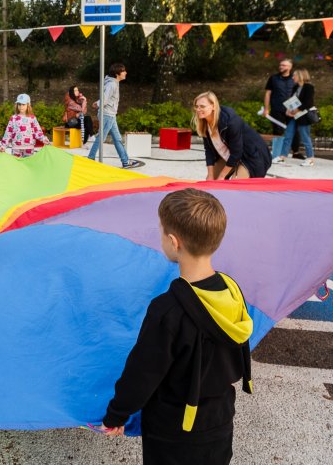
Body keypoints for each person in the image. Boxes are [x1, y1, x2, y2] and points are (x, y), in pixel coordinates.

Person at [97, 188, 252, 465]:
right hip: (219, 421)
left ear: (173, 241)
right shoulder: (232, 290)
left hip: (173, 433)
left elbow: (142, 373)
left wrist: (116, 415)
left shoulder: (168, 309)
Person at [193, 92, 272, 180]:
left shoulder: (230, 121)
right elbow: (209, 151)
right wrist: (210, 175)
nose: (198, 109)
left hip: (251, 155)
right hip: (230, 154)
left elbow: (236, 153)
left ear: (213, 106)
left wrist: (222, 176)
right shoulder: (204, 123)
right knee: (212, 182)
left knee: (234, 185)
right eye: (197, 106)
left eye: (202, 106)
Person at [87, 63, 143, 169]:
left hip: (110, 114)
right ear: (117, 73)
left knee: (117, 139)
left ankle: (125, 161)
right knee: (101, 137)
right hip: (107, 114)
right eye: (123, 71)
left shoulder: (114, 82)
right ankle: (90, 158)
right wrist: (98, 104)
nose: (125, 73)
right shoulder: (111, 84)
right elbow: (105, 98)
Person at [273, 69, 316, 167]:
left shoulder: (309, 87)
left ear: (300, 76)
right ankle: (282, 157)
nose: (292, 77)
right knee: (288, 136)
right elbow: (292, 100)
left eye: (294, 75)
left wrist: (296, 110)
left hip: (303, 116)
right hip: (293, 116)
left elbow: (308, 103)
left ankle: (310, 159)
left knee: (305, 137)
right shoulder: (295, 87)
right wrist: (288, 110)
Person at [263, 59, 297, 159]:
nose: (281, 67)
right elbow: (268, 94)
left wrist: (298, 109)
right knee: (278, 131)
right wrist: (266, 109)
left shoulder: (295, 79)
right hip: (277, 108)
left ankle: (296, 152)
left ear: (290, 67)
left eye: (284, 65)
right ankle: (277, 153)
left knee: (295, 130)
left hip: (292, 108)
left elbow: (299, 94)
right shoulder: (273, 78)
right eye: (280, 65)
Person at [0, 93, 51, 157]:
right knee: (16, 165)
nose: (21, 106)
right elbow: (8, 133)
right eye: (19, 104)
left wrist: (43, 139)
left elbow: (37, 131)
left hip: (29, 148)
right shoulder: (13, 118)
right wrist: (3, 146)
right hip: (16, 148)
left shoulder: (32, 118)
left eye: (23, 104)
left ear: (28, 105)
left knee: (28, 165)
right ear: (17, 105)